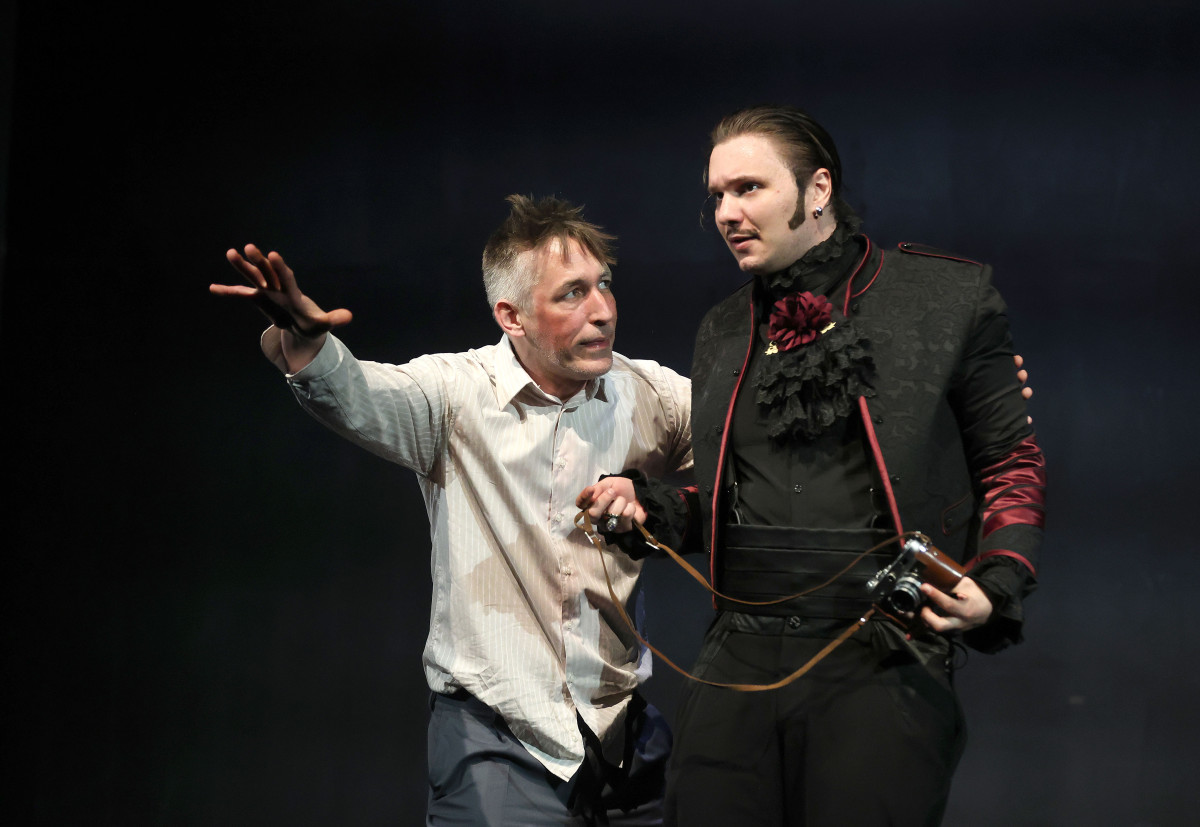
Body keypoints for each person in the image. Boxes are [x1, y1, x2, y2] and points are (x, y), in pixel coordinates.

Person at [580, 105, 1046, 826]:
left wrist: (997, 580)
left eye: (749, 188)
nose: (726, 213)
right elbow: (739, 498)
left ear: (817, 189)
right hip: (739, 653)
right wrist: (654, 507)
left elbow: (1010, 459)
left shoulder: (944, 299)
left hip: (879, 651)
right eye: (717, 195)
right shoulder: (724, 327)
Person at [210, 195, 692, 825]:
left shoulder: (647, 393)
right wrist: (306, 340)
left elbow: (748, 449)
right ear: (512, 316)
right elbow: (355, 393)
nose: (602, 310)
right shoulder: (455, 395)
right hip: (498, 736)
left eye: (604, 284)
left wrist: (656, 498)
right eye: (572, 293)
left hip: (625, 736)